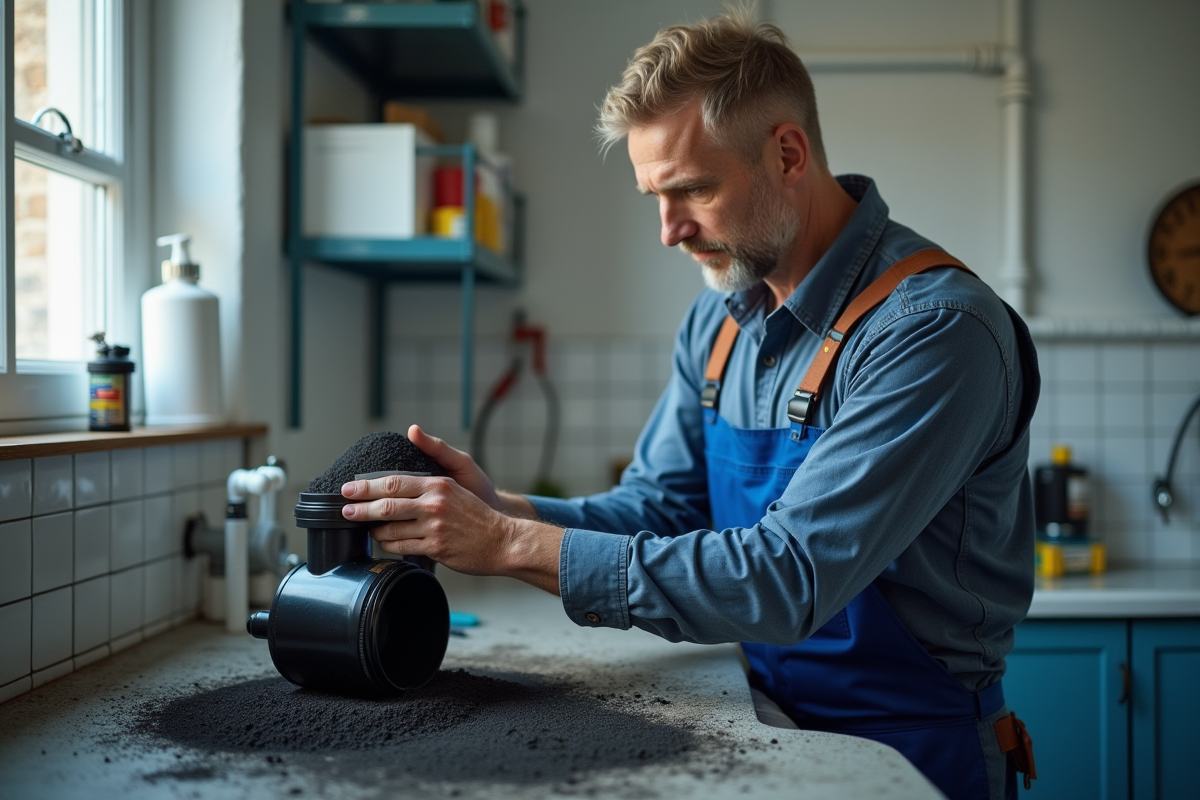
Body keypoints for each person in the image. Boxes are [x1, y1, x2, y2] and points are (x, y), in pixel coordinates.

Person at [340, 11, 1039, 800]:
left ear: (787, 154)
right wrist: (505, 507)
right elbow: (662, 507)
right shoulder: (719, 320)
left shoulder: (932, 331)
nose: (668, 231)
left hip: (911, 753)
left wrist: (507, 545)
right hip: (764, 726)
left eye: (693, 190)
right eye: (653, 195)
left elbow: (788, 579)